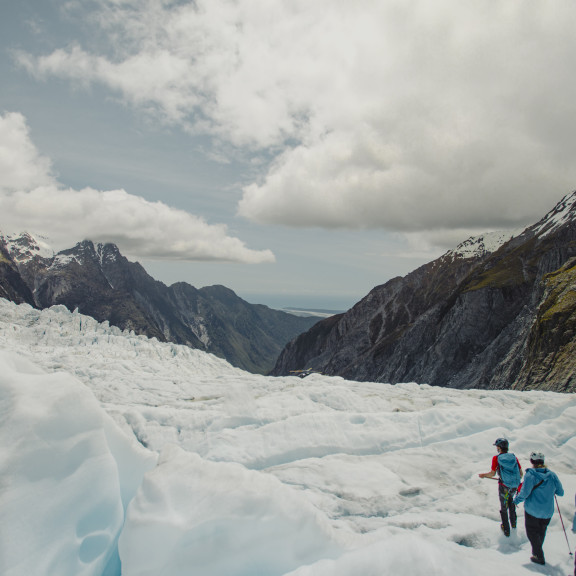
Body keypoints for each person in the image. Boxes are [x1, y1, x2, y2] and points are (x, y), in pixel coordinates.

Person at [513, 452, 564, 566]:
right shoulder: (552, 475)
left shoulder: (530, 475)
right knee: (541, 532)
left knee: (531, 532)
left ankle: (539, 556)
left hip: (532, 510)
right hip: (547, 512)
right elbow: (560, 492)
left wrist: (515, 501)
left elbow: (524, 493)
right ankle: (537, 552)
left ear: (532, 462)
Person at [479, 438, 523, 537]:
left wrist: (484, 475)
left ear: (499, 448)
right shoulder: (513, 457)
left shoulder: (496, 458)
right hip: (514, 486)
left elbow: (492, 473)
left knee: (504, 507)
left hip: (504, 486)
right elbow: (520, 473)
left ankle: (506, 529)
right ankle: (514, 524)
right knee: (511, 503)